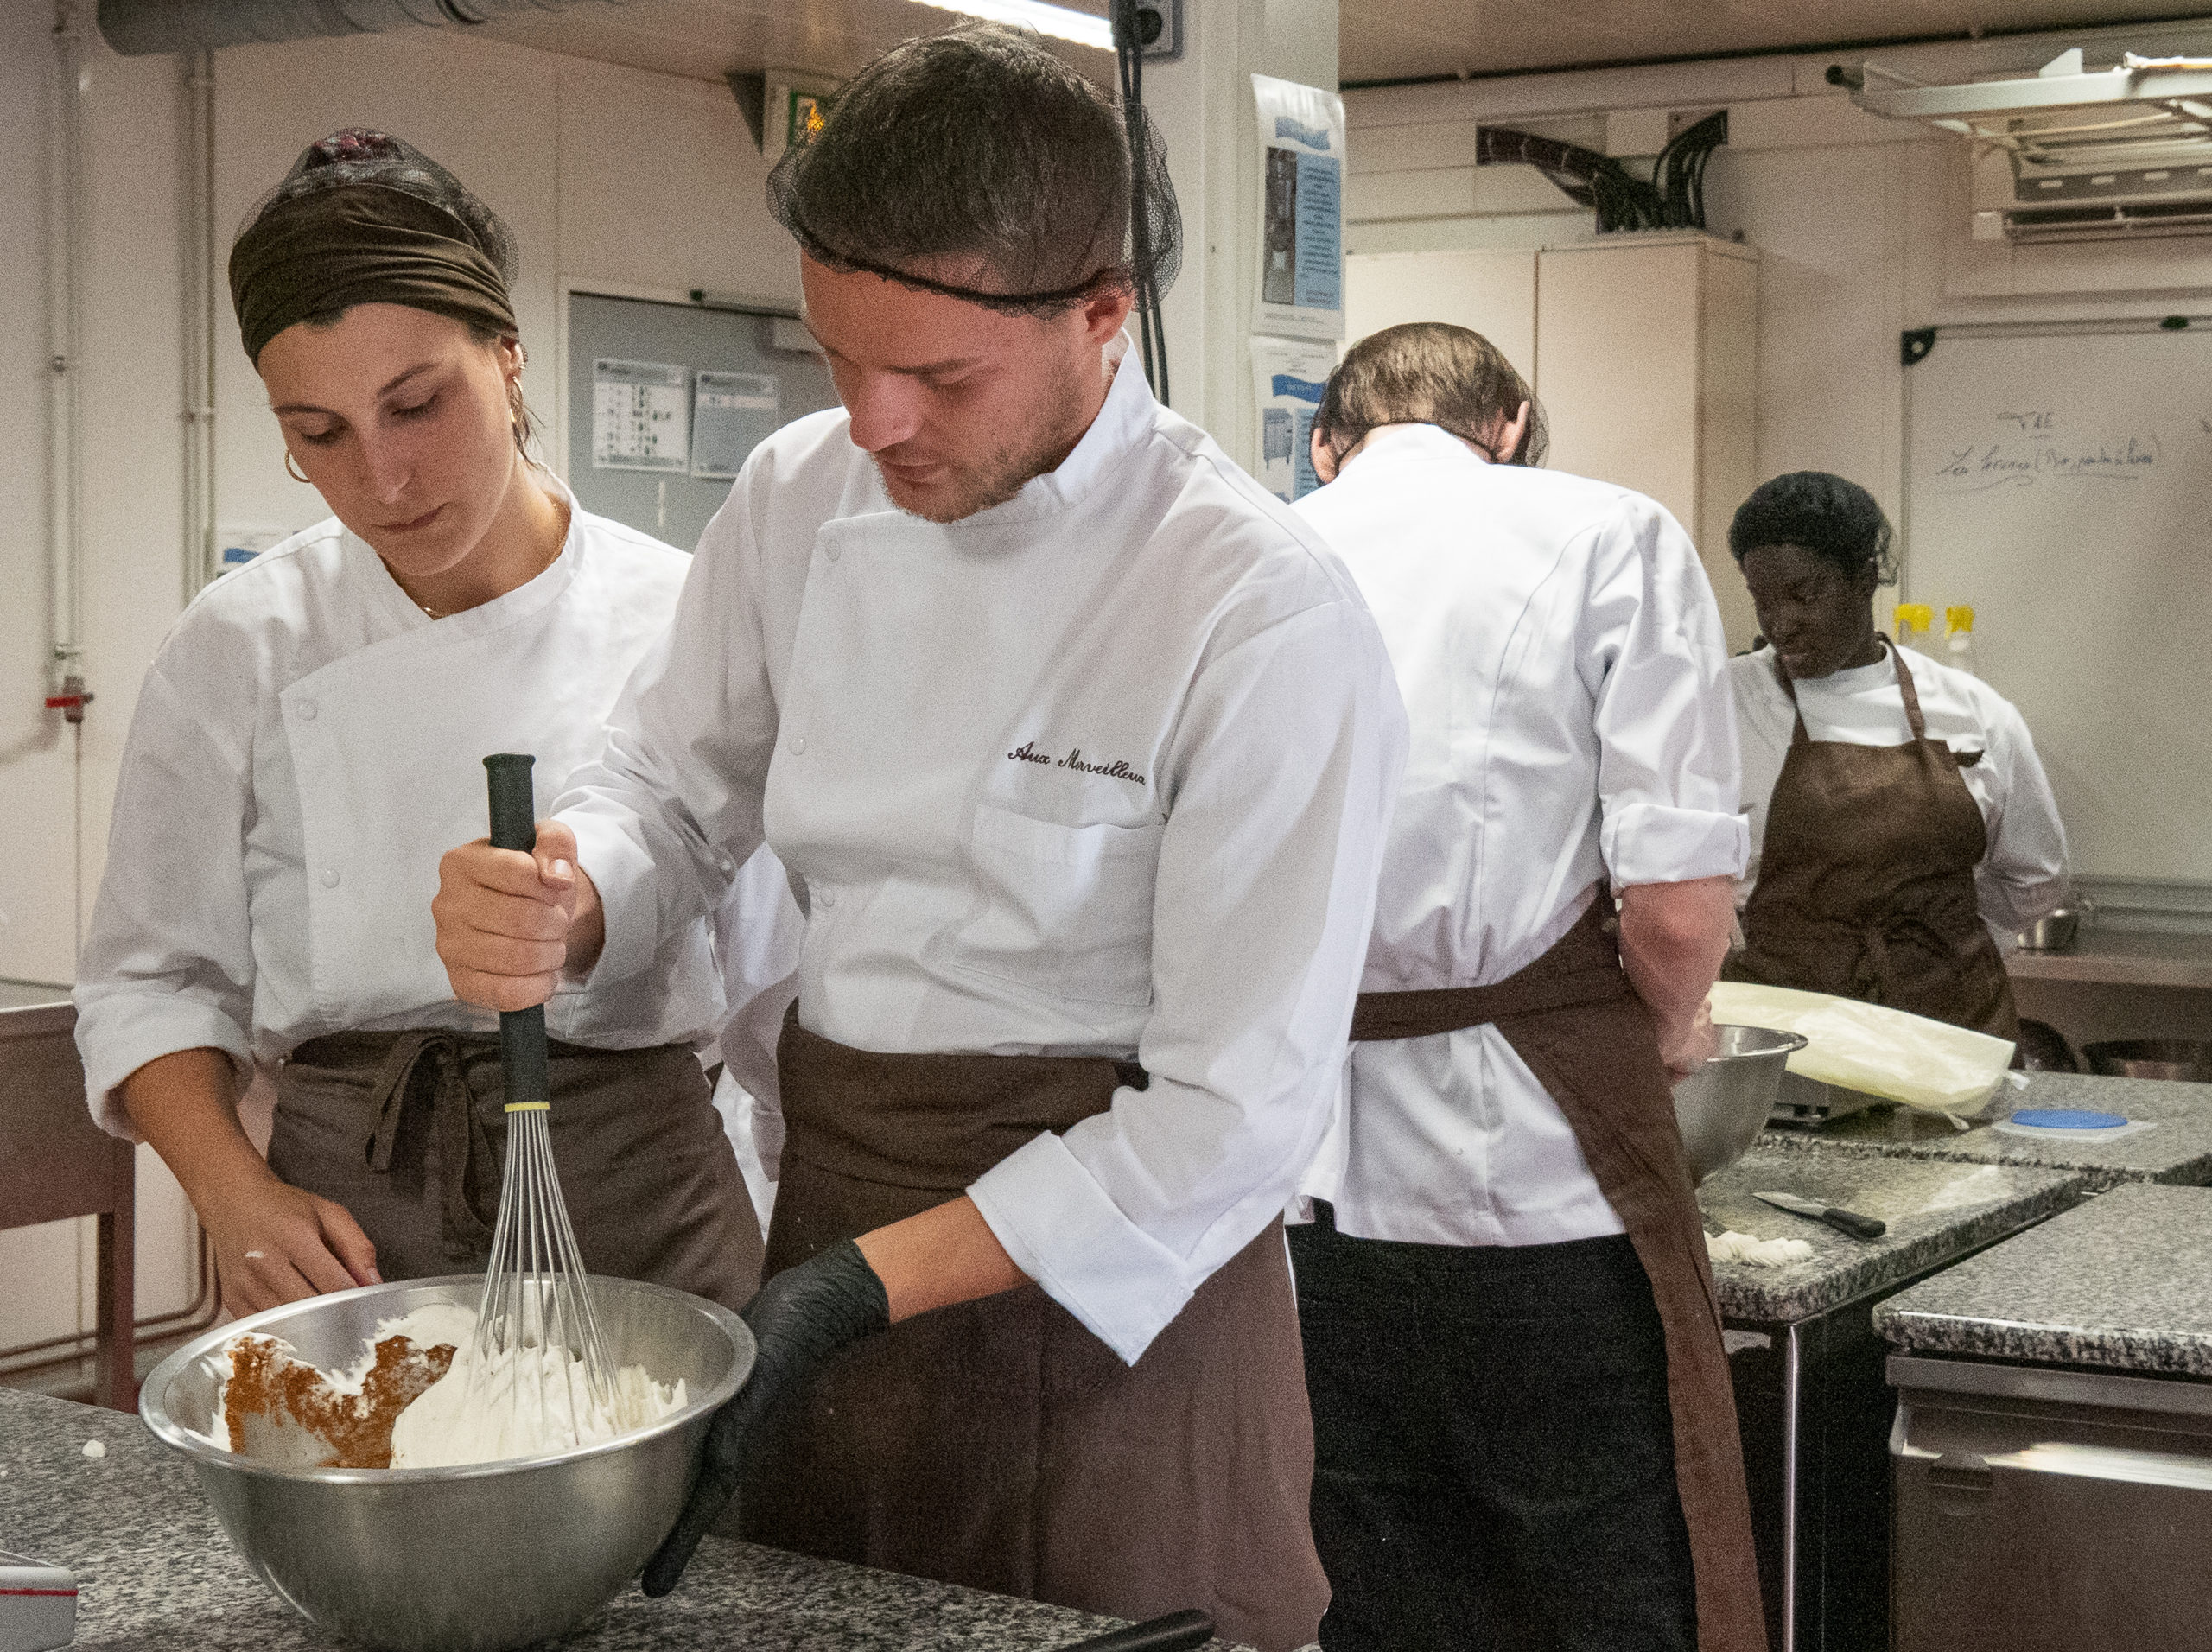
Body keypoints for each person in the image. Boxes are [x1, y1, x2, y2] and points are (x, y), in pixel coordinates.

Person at [430, 26, 1402, 1650]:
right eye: (837, 361)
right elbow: (674, 781)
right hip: (837, 1221)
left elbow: (1234, 1119)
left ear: (1104, 313)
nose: (875, 424)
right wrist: (578, 889)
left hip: (1116, 1311)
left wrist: (860, 1285)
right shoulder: (801, 496)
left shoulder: (1252, 611)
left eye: (940, 377)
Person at [73, 130, 763, 1318]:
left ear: (507, 355)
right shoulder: (243, 643)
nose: (383, 481)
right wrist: (235, 1198)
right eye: (319, 434)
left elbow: (773, 990)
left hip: (638, 1197)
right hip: (351, 1209)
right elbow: (151, 983)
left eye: (416, 405)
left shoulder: (684, 613)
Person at [1289, 323, 1767, 1652]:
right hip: (1542, 1203)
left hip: (1302, 1207)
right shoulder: (1606, 532)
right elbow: (1677, 903)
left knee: (1380, 1606)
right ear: (1508, 424)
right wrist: (1670, 1031)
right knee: (1610, 1593)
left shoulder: (1254, 551)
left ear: (1329, 442)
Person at [1723, 472, 2068, 1039]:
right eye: (1764, 601)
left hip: (1950, 1032)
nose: (1781, 624)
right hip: (1786, 1036)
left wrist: (1937, 945)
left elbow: (2036, 878)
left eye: (1805, 596)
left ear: (1865, 578)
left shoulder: (1972, 711)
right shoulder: (1719, 703)